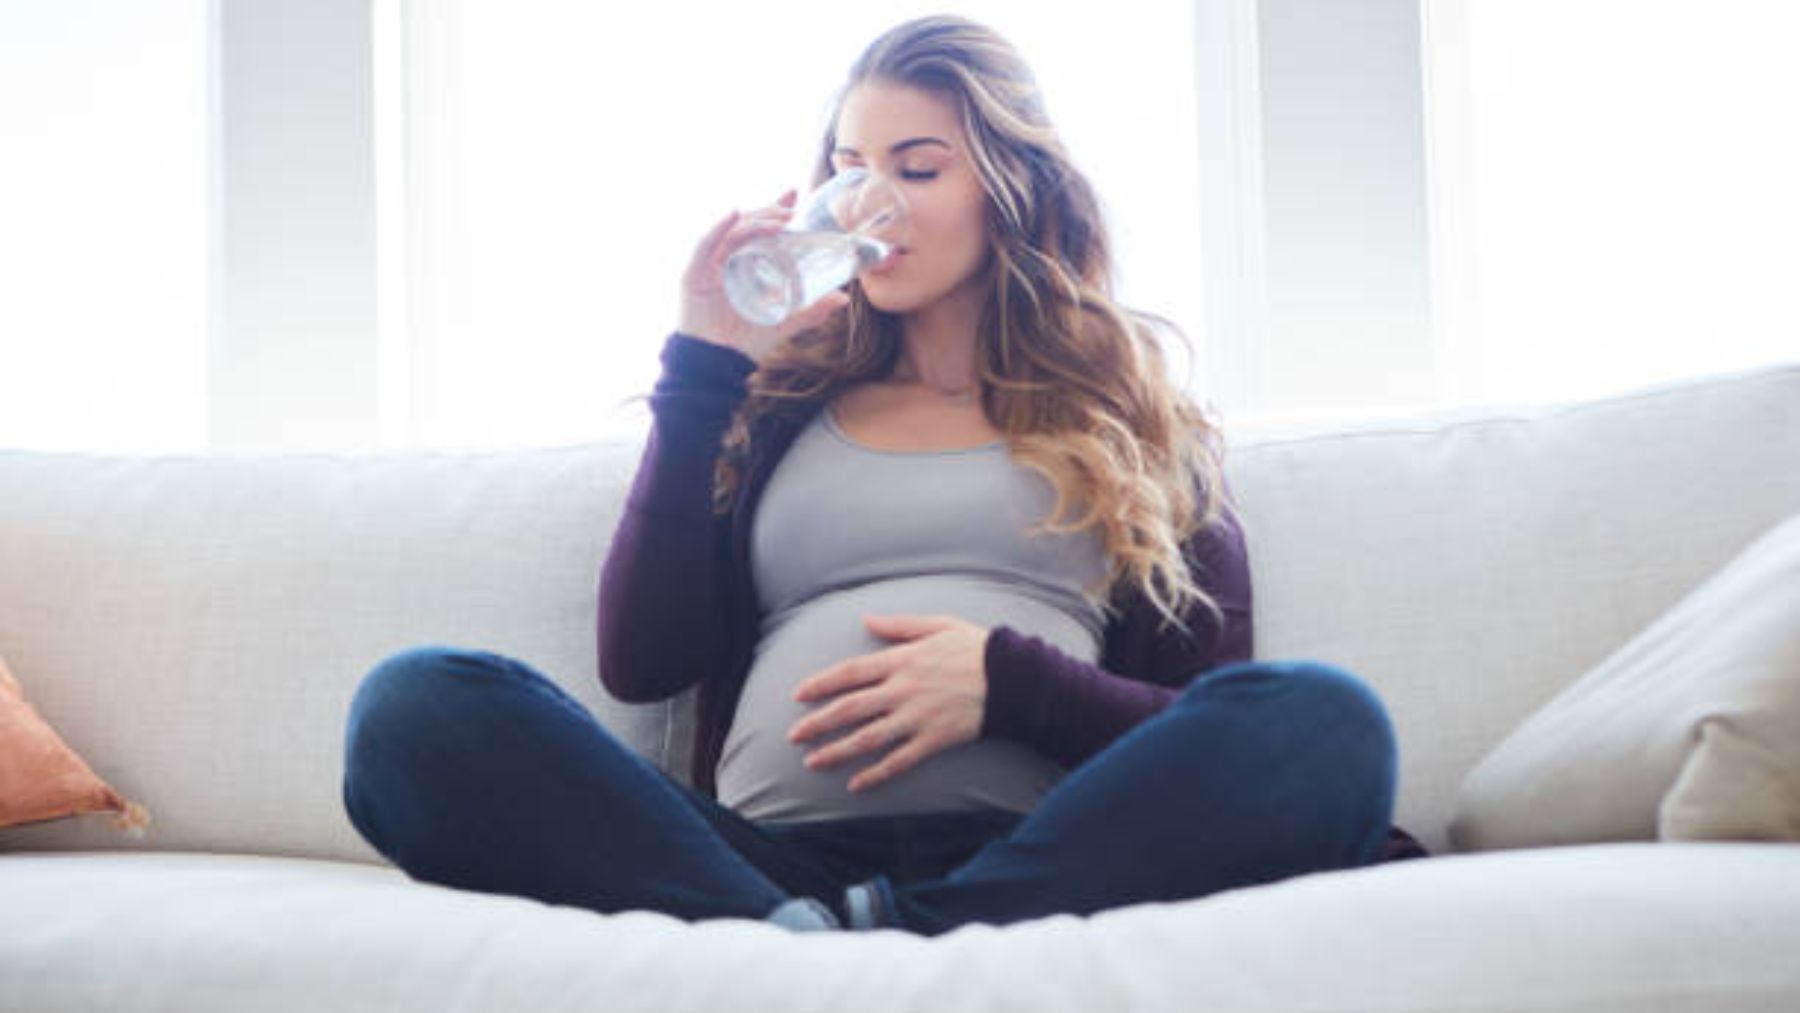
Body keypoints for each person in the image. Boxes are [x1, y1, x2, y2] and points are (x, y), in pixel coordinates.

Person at [341, 14, 1422, 937]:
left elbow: (1196, 724)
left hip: (1033, 864)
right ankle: (847, 939)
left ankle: (865, 944)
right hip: (755, 866)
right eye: (849, 170)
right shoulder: (772, 408)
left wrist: (1007, 679)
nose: (871, 204)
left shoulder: (1139, 425)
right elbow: (641, 661)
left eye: (916, 167)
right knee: (415, 706)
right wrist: (704, 368)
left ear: (1011, 189)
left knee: (1325, 719)